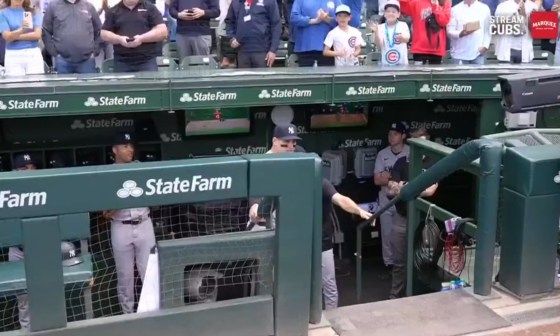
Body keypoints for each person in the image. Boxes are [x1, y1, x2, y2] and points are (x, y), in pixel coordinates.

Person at [249, 145, 373, 310]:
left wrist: (359, 210)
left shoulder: (320, 183)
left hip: (321, 242)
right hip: (297, 243)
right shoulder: (285, 184)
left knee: (328, 283)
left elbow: (341, 199)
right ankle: (296, 317)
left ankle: (332, 317)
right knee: (295, 283)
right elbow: (262, 209)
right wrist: (256, 213)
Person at [103, 132, 156, 314]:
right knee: (125, 277)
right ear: (114, 150)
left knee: (150, 272)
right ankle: (128, 315)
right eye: (125, 146)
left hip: (144, 223)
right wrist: (118, 202)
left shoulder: (142, 169)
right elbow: (104, 214)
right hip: (120, 226)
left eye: (131, 146)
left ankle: (153, 312)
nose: (130, 150)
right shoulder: (107, 173)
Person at [387, 128, 438, 299]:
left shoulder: (433, 164)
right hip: (402, 218)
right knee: (399, 263)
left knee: (423, 261)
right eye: (418, 143)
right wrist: (406, 188)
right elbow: (391, 188)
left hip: (424, 222)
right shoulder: (402, 162)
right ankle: (395, 296)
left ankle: (419, 296)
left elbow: (431, 190)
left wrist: (406, 188)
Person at [373, 122, 409, 270]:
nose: (391, 137)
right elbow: (376, 180)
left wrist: (388, 178)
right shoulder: (383, 154)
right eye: (390, 134)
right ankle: (388, 264)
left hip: (403, 203)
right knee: (387, 235)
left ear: (403, 136)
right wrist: (396, 180)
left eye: (395, 134)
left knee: (403, 236)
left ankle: (404, 265)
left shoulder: (410, 152)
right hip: (385, 201)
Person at [8, 153, 38, 331]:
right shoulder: (8, 190)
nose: (29, 171)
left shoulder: (44, 188)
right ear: (14, 171)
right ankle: (26, 332)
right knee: (24, 300)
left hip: (41, 247)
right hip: (17, 250)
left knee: (46, 293)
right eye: (24, 168)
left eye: (32, 167)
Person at [101, 0, 167, 72]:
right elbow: (104, 33)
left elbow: (163, 31)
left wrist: (142, 39)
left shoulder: (150, 8)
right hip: (121, 62)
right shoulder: (113, 11)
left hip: (147, 61)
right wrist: (119, 39)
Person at [42, 0, 102, 74]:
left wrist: (95, 51)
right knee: (63, 86)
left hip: (87, 61)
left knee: (87, 86)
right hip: (62, 61)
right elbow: (45, 31)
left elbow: (100, 31)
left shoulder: (89, 7)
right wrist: (55, 53)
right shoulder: (53, 6)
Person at [225, 0, 281, 68]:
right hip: (242, 50)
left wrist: (273, 50)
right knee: (244, 78)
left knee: (262, 77)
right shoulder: (236, 2)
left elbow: (276, 25)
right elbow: (229, 22)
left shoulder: (269, 1)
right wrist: (232, 38)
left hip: (262, 50)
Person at [290, 0, 341, 67]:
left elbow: (344, 20)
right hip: (305, 48)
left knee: (327, 76)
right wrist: (313, 21)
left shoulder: (336, 1)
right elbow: (293, 18)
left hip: (328, 50)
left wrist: (326, 19)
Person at [398, 0, 451, 65]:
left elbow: (444, 21)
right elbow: (401, 4)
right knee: (419, 75)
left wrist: (435, 7)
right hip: (419, 49)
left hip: (436, 49)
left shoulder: (445, 2)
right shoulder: (417, 2)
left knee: (436, 75)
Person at [0, 0, 44, 76]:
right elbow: (7, 37)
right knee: (15, 85)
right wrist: (21, 30)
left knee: (36, 84)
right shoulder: (3, 13)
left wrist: (14, 36)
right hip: (13, 56)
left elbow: (37, 35)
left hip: (33, 54)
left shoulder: (33, 12)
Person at [446, 0, 490, 65]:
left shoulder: (484, 8)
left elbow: (487, 30)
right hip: (459, 56)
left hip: (477, 54)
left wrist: (485, 46)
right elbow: (449, 31)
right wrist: (460, 34)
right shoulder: (455, 10)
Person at [369, 0, 410, 66]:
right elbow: (379, 46)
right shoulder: (380, 27)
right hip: (386, 64)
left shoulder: (403, 25)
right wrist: (376, 32)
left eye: (393, 12)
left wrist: (402, 37)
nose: (391, 13)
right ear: (384, 14)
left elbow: (407, 39)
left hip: (402, 63)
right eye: (388, 11)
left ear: (398, 14)